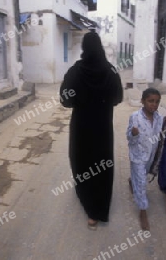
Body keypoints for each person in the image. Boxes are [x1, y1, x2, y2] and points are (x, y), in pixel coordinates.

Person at [60, 31, 123, 230]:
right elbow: (117, 98)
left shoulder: (75, 71)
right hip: (102, 128)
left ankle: (90, 208)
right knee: (102, 165)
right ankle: (100, 209)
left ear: (84, 48)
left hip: (82, 128)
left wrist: (82, 100)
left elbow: (65, 100)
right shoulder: (111, 71)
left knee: (83, 163)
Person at [126, 88, 162, 231]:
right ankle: (143, 211)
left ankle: (131, 180)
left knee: (143, 176)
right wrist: (133, 134)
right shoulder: (135, 117)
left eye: (157, 102)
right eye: (150, 101)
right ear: (143, 101)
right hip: (138, 156)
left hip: (151, 156)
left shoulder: (159, 118)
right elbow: (129, 138)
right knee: (141, 183)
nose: (153, 104)